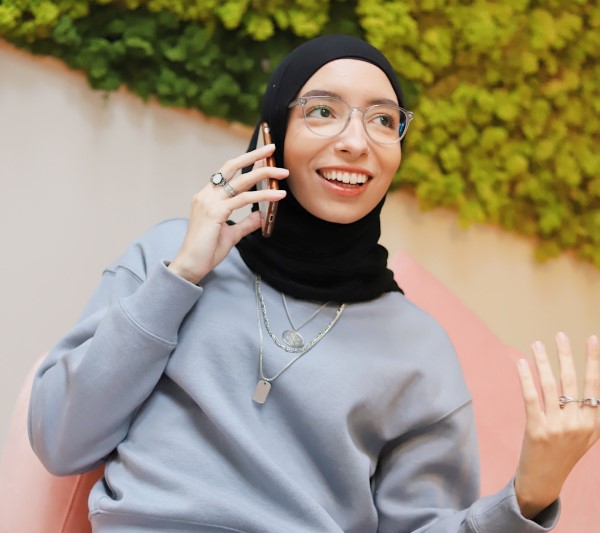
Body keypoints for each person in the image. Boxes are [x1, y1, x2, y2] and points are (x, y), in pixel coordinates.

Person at [28, 34, 599, 532]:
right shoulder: (171, 253)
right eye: (323, 110)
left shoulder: (420, 351)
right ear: (273, 130)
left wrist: (530, 495)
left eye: (382, 119)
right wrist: (181, 276)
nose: (357, 141)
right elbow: (60, 439)